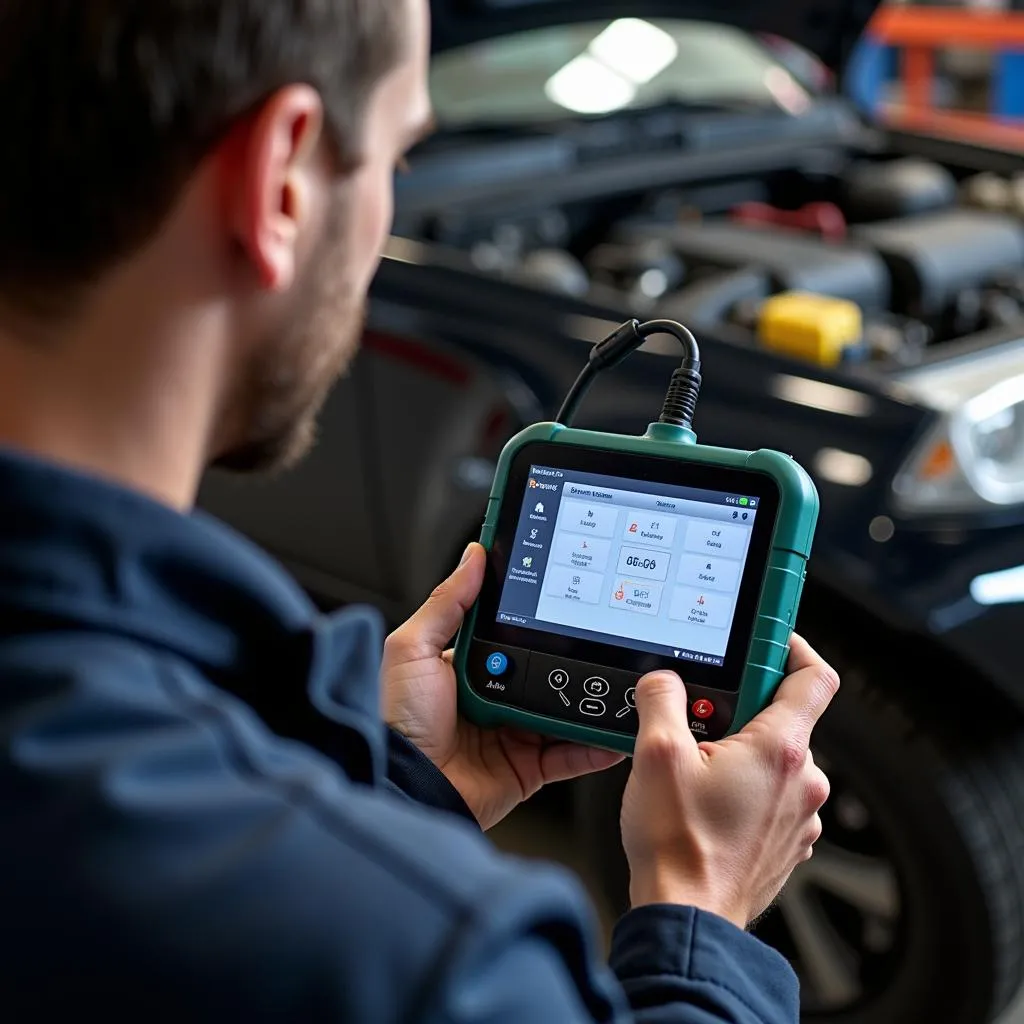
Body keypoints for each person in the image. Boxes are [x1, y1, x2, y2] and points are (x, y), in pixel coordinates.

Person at [0, 1, 838, 1020]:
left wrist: (405, 784)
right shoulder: (428, 959)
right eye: (398, 155)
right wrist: (703, 914)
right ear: (281, 180)